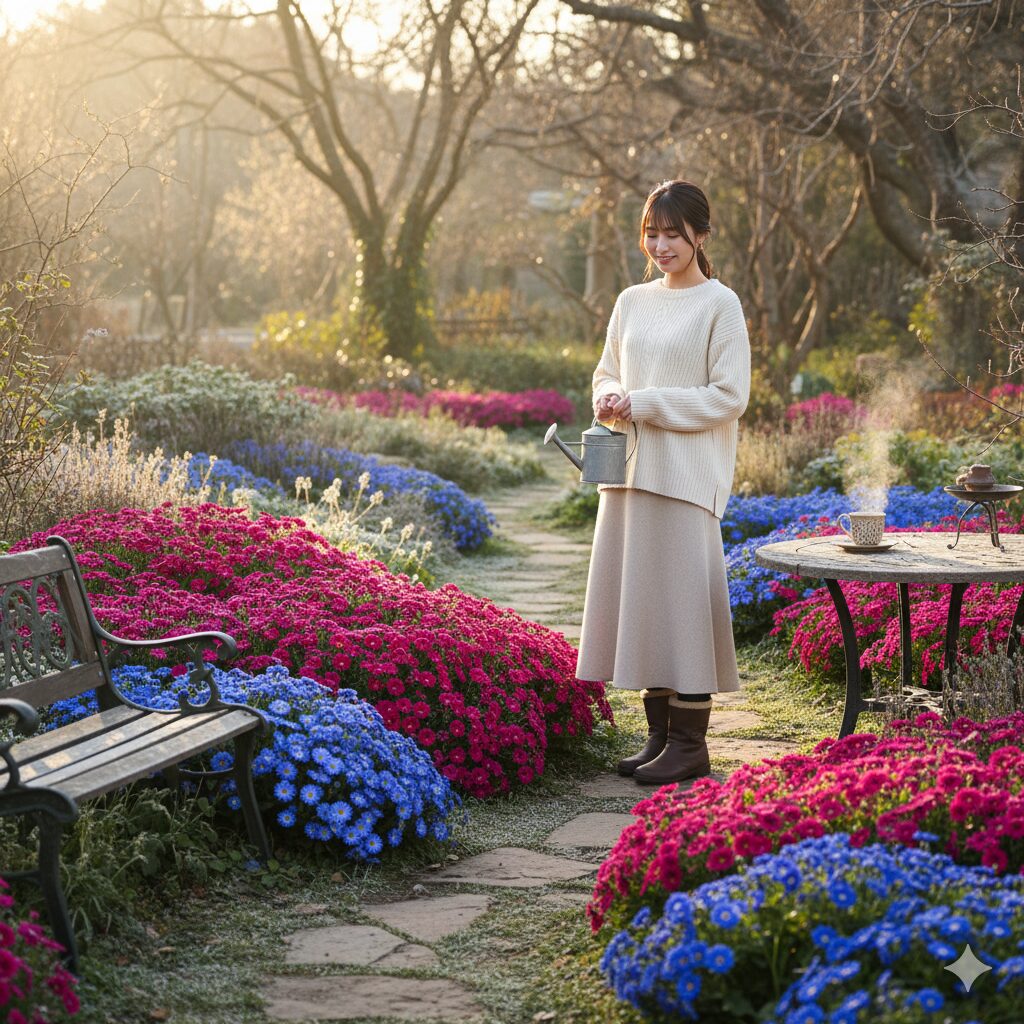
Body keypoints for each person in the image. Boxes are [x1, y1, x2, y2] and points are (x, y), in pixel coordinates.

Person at [575, 179, 750, 785]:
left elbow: (729, 397)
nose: (661, 244)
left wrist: (642, 402)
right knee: (646, 606)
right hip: (628, 475)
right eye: (652, 232)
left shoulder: (720, 304)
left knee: (682, 610)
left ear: (701, 235)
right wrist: (607, 398)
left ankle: (690, 746)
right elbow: (605, 372)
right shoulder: (631, 300)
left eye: (673, 233)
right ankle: (658, 737)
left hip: (686, 478)